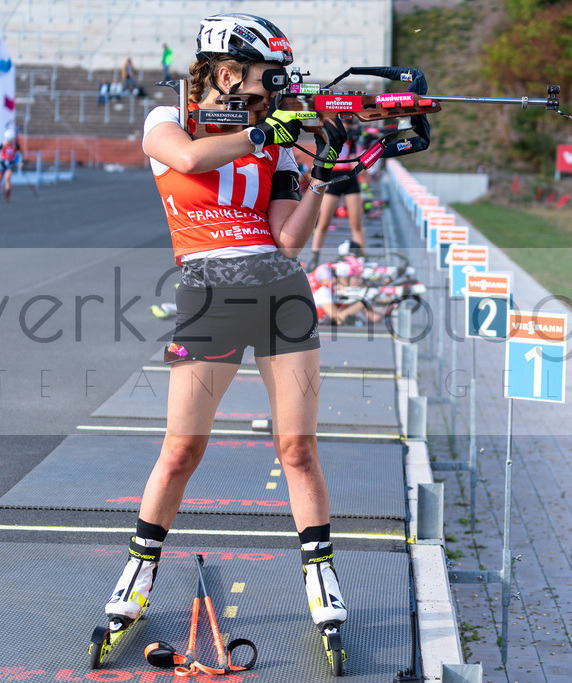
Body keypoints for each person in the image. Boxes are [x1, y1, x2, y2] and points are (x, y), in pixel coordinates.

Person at [102, 11, 350, 658]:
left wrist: (322, 168)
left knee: (298, 449)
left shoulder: (277, 139)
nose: (279, 87)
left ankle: (322, 580)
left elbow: (289, 241)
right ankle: (138, 573)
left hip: (281, 291)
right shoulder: (170, 117)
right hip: (209, 290)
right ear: (230, 72)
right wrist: (262, 132)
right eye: (269, 75)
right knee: (180, 449)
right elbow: (186, 158)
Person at [303, 124, 366, 270]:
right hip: (333, 177)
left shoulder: (352, 136)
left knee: (356, 224)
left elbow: (354, 160)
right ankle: (314, 256)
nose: (345, 125)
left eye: (347, 122)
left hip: (349, 178)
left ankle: (362, 259)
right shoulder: (327, 132)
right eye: (342, 121)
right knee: (323, 222)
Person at [0, 129, 21, 203]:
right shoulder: (2, 144)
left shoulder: (15, 145)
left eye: (11, 140)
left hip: (11, 163)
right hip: (2, 163)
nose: (9, 142)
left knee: (7, 178)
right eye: (8, 140)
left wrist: (21, 161)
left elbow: (21, 151)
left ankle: (7, 195)